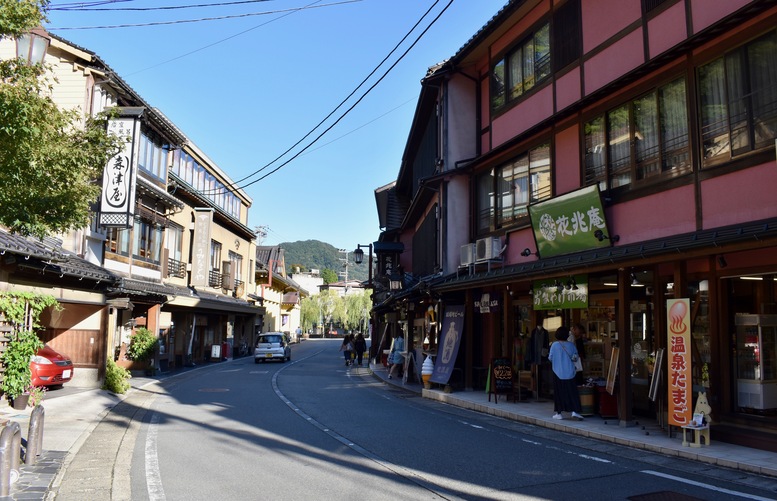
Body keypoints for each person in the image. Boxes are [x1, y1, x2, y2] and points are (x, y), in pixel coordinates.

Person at [548, 326, 584, 420]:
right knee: (572, 392)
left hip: (557, 372)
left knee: (559, 393)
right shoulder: (571, 345)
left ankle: (559, 413)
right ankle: (575, 411)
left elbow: (550, 357)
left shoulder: (554, 345)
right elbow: (575, 358)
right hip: (570, 372)